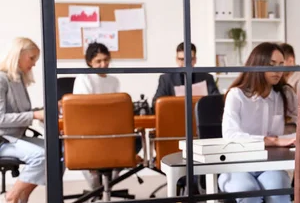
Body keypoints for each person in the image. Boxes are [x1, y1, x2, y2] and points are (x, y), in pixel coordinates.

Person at [220, 42, 296, 203]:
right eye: (271, 65)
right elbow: (231, 135)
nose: (277, 71)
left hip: (268, 165)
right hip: (237, 165)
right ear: (257, 65)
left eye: (281, 65)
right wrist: (273, 140)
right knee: (248, 192)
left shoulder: (283, 94)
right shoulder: (237, 95)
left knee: (280, 191)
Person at [73, 42, 140, 188]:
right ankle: (97, 182)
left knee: (136, 140)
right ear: (90, 62)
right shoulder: (84, 79)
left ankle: (109, 182)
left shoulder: (113, 81)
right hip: (90, 131)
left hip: (111, 128)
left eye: (106, 60)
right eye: (98, 61)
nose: (103, 64)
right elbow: (83, 110)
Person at [0, 37, 45, 203]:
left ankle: (22, 197)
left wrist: (44, 109)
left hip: (16, 138)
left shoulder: (18, 80)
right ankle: (10, 198)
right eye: (32, 58)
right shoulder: (1, 80)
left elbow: (20, 112)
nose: (34, 63)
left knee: (61, 151)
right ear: (19, 56)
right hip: (4, 140)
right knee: (42, 156)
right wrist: (34, 114)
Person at [152, 42, 220, 111]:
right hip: (175, 118)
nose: (185, 64)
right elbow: (156, 104)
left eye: (189, 60)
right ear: (176, 60)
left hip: (201, 117)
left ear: (195, 60)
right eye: (181, 59)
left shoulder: (207, 78)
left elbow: (217, 102)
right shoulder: (166, 79)